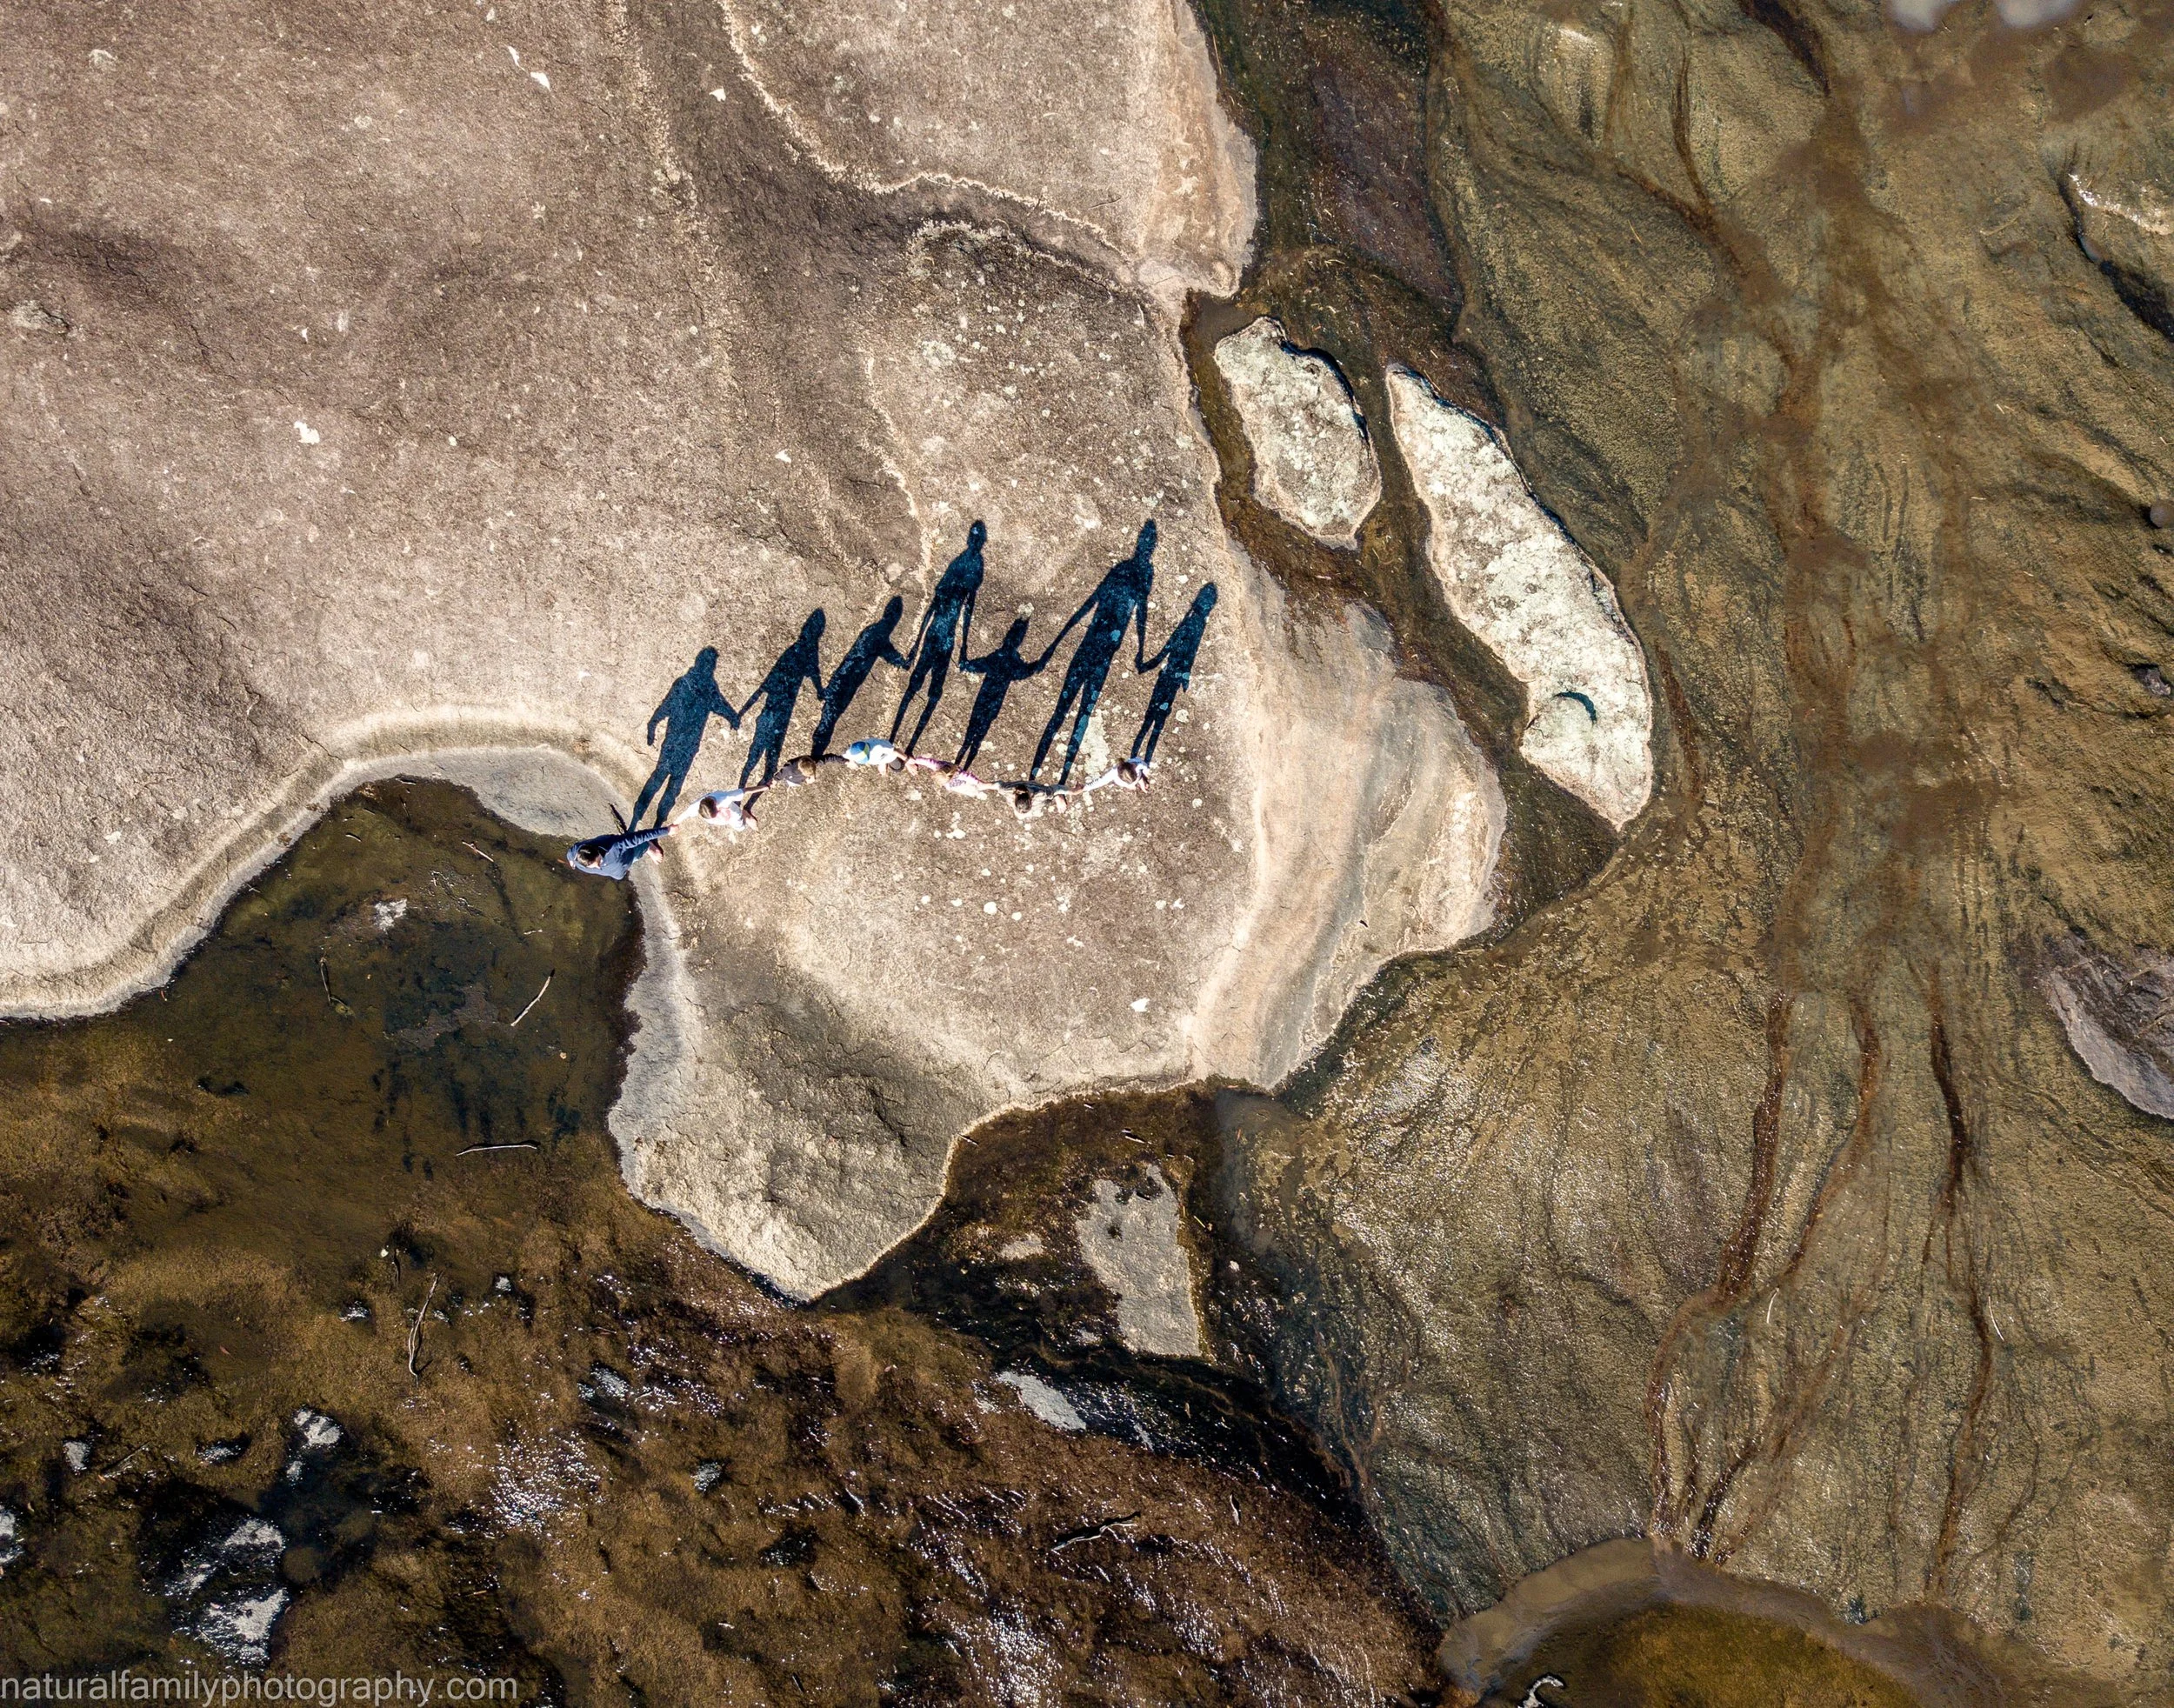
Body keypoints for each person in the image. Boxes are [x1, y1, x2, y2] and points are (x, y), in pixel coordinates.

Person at [1030, 518, 1157, 787]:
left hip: (1093, 651)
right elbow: (1129, 613)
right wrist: (1141, 650)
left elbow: (1091, 607)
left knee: (1072, 714)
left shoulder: (1127, 571)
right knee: (1071, 714)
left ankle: (1049, 777)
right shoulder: (1135, 573)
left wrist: (1056, 644)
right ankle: (1039, 775)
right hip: (1098, 654)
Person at [891, 521, 986, 755]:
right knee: (917, 687)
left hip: (943, 640)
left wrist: (963, 649)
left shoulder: (967, 569)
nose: (974, 542)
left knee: (932, 692)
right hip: (937, 638)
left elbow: (965, 612)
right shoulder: (963, 569)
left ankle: (908, 744)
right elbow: (933, 611)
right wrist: (915, 644)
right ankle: (894, 738)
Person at [633, 647, 739, 828]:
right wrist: (652, 724)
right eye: (710, 664)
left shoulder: (705, 686)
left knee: (670, 785)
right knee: (661, 780)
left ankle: (654, 824)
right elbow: (666, 706)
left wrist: (732, 716)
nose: (710, 667)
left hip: (685, 746)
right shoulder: (686, 684)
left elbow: (720, 704)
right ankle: (637, 820)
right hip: (677, 745)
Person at [810, 596, 910, 757]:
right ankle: (815, 755)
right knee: (829, 718)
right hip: (846, 683)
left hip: (843, 678)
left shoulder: (872, 630)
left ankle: (816, 752)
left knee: (829, 716)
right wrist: (904, 663)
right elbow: (891, 654)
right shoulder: (880, 637)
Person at [1130, 582, 1215, 769]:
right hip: (1169, 678)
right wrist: (1182, 675)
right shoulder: (1192, 625)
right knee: (1151, 722)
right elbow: (1172, 650)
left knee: (1153, 723)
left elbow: (1177, 653)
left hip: (1171, 679)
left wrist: (1183, 676)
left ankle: (1139, 762)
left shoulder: (1194, 624)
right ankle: (1137, 762)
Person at [739, 610, 828, 787]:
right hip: (779, 713)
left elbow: (762, 688)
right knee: (767, 753)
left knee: (759, 753)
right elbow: (814, 672)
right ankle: (760, 782)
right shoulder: (808, 652)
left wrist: (742, 712)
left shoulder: (795, 652)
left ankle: (751, 783)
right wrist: (819, 690)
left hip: (772, 711)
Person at [953, 613, 1043, 773]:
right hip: (994, 703)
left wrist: (964, 663)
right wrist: (1036, 665)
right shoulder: (1012, 662)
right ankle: (963, 768)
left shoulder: (995, 658)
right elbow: (1024, 673)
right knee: (978, 735)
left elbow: (971, 666)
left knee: (971, 732)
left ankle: (958, 766)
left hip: (983, 701)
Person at [567, 823, 673, 881]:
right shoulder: (578, 854)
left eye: (598, 863)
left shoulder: (615, 846)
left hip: (627, 856)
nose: (599, 867)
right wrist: (570, 859)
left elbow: (642, 836)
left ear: (597, 851)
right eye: (594, 867)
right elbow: (572, 851)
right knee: (619, 872)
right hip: (616, 871)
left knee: (637, 851)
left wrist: (667, 831)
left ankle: (647, 846)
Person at [680, 786, 764, 832]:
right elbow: (686, 813)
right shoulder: (696, 806)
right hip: (723, 818)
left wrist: (765, 787)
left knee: (740, 828)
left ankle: (745, 815)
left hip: (732, 814)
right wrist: (673, 825)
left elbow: (744, 791)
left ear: (716, 805)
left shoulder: (725, 798)